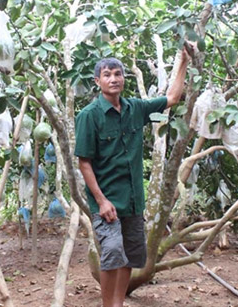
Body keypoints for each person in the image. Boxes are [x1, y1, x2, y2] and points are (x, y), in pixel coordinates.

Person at [74, 45, 192, 307]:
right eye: (107, 75)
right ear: (98, 81)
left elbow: (172, 98)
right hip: (107, 200)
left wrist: (183, 60)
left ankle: (118, 303)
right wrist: (101, 201)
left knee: (128, 254)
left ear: (124, 78)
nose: (113, 79)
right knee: (112, 252)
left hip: (133, 200)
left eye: (118, 74)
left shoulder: (135, 109)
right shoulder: (89, 116)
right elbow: (84, 163)